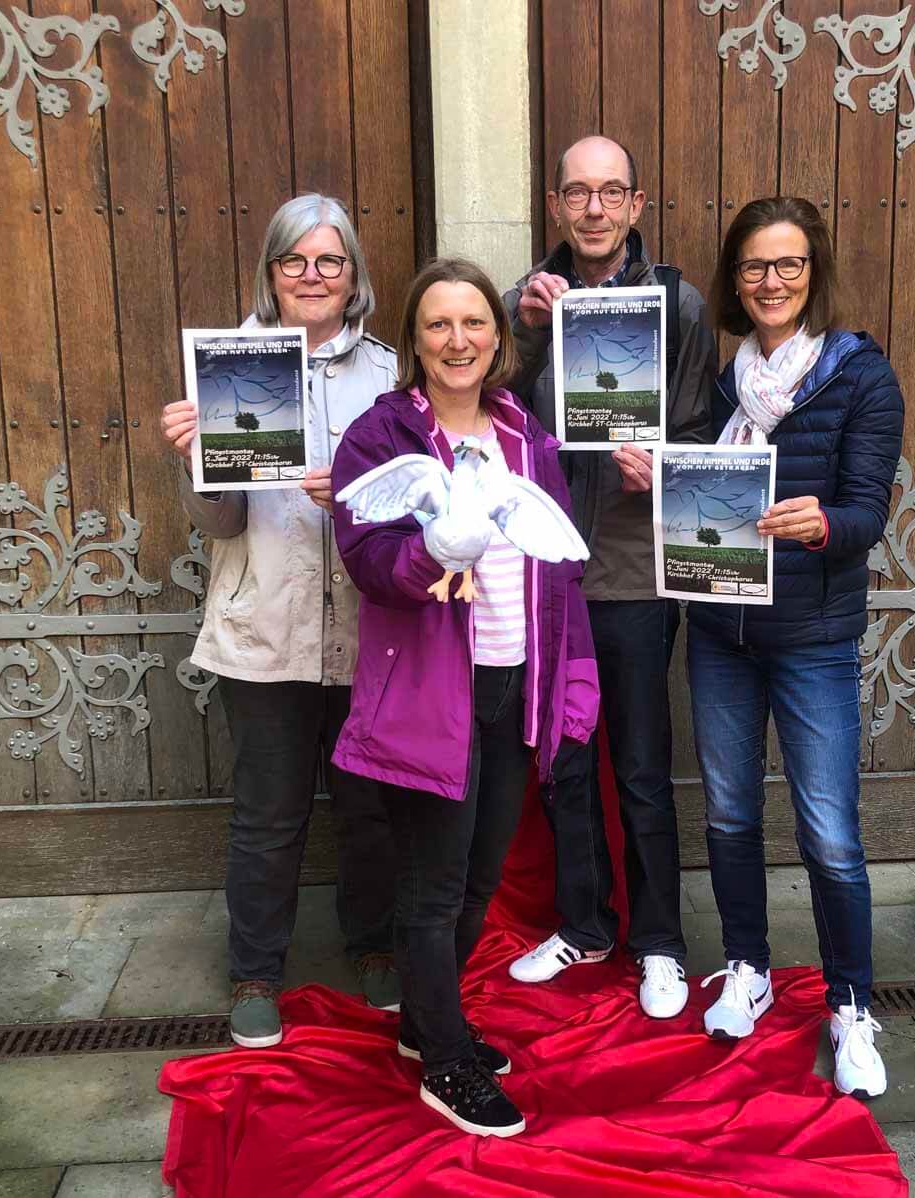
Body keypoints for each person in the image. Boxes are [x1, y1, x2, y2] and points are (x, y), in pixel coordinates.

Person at [330, 258, 599, 1138]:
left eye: (474, 323)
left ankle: (421, 1023)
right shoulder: (379, 439)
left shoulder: (528, 438)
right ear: (414, 339)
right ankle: (445, 1062)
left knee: (481, 874)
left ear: (497, 336)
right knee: (435, 886)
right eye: (439, 325)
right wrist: (431, 552)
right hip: (429, 696)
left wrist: (571, 684)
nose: (458, 341)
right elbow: (369, 563)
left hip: (514, 686)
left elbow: (559, 578)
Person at [160, 194, 400, 1049]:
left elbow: (413, 506)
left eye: (329, 261)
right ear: (271, 272)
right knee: (269, 812)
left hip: (370, 634)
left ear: (352, 276)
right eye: (294, 260)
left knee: (372, 808)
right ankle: (256, 970)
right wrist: (200, 462)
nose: (312, 276)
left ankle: (375, 948)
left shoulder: (387, 373)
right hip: (265, 628)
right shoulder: (230, 366)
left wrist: (360, 497)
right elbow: (222, 525)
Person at [689, 196, 904, 1098]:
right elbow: (690, 486)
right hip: (721, 630)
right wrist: (654, 474)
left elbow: (867, 511)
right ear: (734, 280)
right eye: (752, 267)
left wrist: (824, 522)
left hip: (811, 636)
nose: (769, 282)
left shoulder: (859, 376)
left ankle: (851, 1006)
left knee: (828, 834)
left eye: (787, 266)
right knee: (732, 817)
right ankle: (750, 967)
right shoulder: (715, 381)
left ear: (813, 273)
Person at [503, 135, 714, 1018]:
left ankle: (659, 942)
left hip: (632, 570)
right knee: (564, 763)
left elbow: (709, 436)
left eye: (611, 192)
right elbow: (490, 409)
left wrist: (663, 463)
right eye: (577, 192)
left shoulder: (680, 304)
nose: (594, 208)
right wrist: (525, 330)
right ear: (557, 204)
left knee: (638, 766)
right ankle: (583, 926)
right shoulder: (524, 304)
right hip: (545, 569)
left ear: (635, 204)